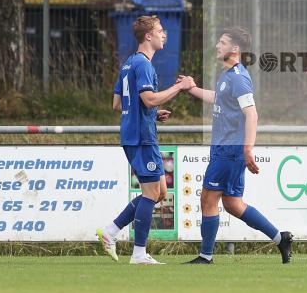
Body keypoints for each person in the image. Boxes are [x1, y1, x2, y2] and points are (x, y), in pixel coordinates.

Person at [181, 27, 293, 264]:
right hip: (225, 149)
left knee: (208, 199)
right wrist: (191, 88)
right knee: (232, 204)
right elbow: (218, 98)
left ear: (235, 49)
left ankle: (205, 256)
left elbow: (252, 114)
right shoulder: (228, 75)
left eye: (222, 42)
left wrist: (247, 148)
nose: (217, 46)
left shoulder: (240, 78)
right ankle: (280, 238)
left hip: (230, 150)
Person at [96, 15, 194, 265]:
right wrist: (179, 88)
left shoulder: (129, 63)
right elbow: (148, 98)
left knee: (160, 192)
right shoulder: (143, 65)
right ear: (148, 36)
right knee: (151, 193)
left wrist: (151, 114)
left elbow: (118, 103)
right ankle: (139, 253)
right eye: (160, 31)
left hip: (136, 133)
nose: (164, 35)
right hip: (141, 138)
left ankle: (111, 231)